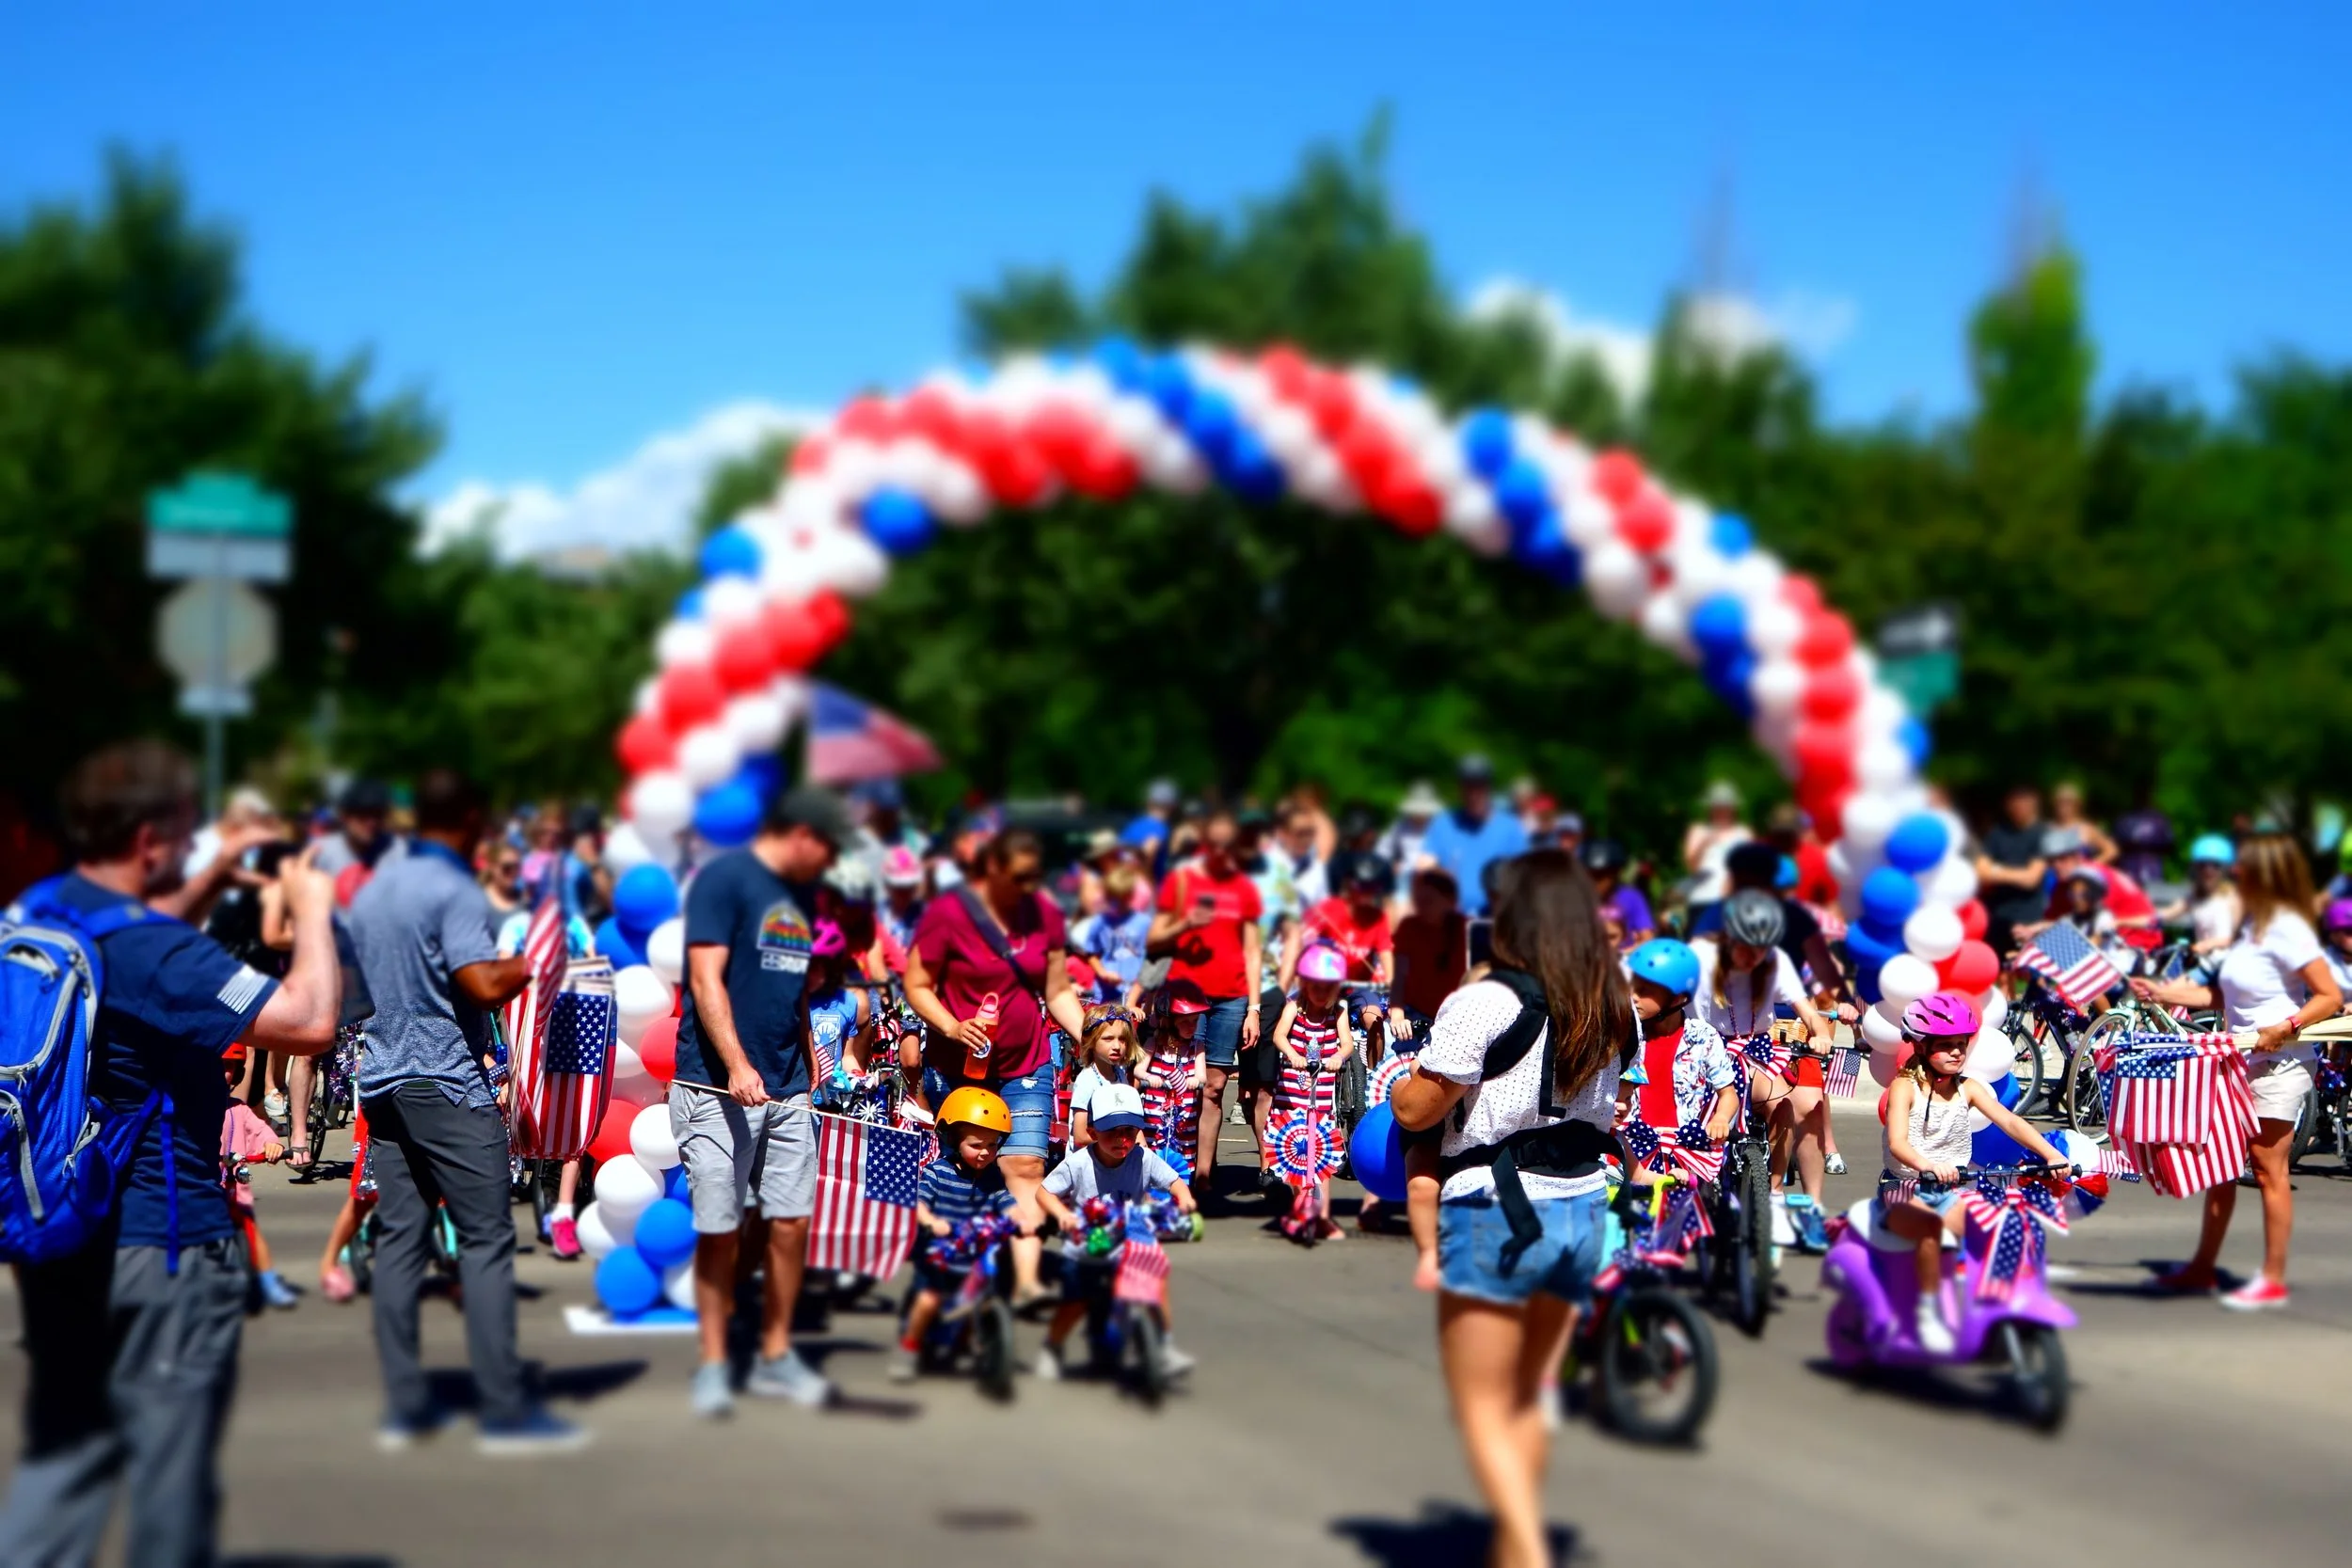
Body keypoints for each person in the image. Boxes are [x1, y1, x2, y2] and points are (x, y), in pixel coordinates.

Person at [0, 740, 342, 1564]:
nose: (191, 850)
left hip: (60, 1227)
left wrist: (214, 875)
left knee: (65, 1462)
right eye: (187, 837)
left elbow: (135, 946)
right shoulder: (159, 951)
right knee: (169, 1485)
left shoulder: (42, 910)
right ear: (150, 839)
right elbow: (308, 1021)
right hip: (163, 1242)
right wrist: (313, 908)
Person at [1387, 850, 1633, 1568]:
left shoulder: (1488, 1000)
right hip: (1582, 1203)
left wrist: (1403, 1078)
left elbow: (1417, 1107)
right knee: (1528, 1396)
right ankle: (1513, 1545)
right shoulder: (1611, 1000)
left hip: (1497, 1206)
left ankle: (1526, 1550)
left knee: (1483, 1405)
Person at [346, 769, 586, 1454]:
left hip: (383, 1078)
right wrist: (531, 963)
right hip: (447, 1082)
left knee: (401, 1240)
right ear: (473, 820)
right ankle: (505, 1412)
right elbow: (480, 982)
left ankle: (405, 1407)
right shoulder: (452, 888)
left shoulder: (375, 889)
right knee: (485, 1240)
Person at [668, 785, 851, 1418]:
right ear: (802, 834)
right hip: (714, 1085)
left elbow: (793, 984)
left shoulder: (800, 896)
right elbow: (704, 978)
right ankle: (714, 1362)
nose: (828, 866)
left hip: (788, 1085)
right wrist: (738, 1064)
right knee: (720, 1229)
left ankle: (775, 1353)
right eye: (826, 851)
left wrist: (808, 1054)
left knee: (791, 1222)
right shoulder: (724, 879)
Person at [2133, 832, 2344, 1309]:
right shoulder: (2251, 928)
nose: (2236, 873)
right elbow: (2225, 998)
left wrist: (2287, 1026)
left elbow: (2329, 996)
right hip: (2236, 1058)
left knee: (2268, 1168)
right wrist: (2163, 993)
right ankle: (2202, 1268)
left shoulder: (2289, 927)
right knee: (2220, 1168)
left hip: (2280, 1063)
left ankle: (2272, 1277)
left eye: (2244, 868)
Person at [904, 827, 1085, 1305]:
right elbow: (917, 984)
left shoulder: (1044, 913)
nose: (1029, 886)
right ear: (992, 869)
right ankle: (956, 1271)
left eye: (1035, 876)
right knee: (964, 1167)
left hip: (1026, 1062)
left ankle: (1025, 1281)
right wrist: (951, 1026)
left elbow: (1057, 989)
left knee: (1025, 1165)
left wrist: (1089, 1034)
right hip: (956, 1065)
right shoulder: (948, 913)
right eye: (1019, 877)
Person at [1878, 991, 2066, 1354]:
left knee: (2007, 1225)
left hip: (1954, 1189)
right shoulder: (1905, 1087)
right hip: (1905, 1188)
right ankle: (1927, 1311)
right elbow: (1898, 1142)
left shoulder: (1968, 1088)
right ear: (1920, 1046)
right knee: (1931, 1230)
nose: (1956, 1052)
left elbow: (2010, 1122)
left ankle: (2003, 1303)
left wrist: (2050, 1153)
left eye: (1961, 1044)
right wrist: (1928, 1165)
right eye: (1945, 1045)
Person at [1692, 892, 1838, 1249]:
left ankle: (1772, 1195)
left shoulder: (1775, 961)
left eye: (1760, 949)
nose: (1753, 957)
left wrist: (1820, 1034)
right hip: (1705, 1048)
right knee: (1695, 1116)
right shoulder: (1700, 958)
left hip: (1755, 1048)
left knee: (1785, 1105)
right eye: (1746, 948)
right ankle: (1696, 1186)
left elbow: (1808, 1011)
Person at [1034, 1084, 1198, 1380]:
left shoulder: (1143, 1158)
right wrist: (1062, 1215)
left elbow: (1173, 1180)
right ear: (1093, 1132)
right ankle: (1053, 1346)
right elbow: (1044, 1192)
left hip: (1129, 1236)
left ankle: (1163, 1346)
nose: (1122, 1140)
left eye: (1129, 1131)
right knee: (1077, 1301)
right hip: (1089, 1239)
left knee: (1155, 1284)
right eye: (1112, 1132)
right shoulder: (1079, 1163)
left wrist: (1184, 1198)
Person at [1146, 811, 1264, 1199]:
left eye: (1228, 845)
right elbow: (1154, 938)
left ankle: (1203, 1174)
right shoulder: (1182, 881)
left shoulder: (1244, 888)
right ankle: (1170, 1165)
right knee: (1178, 1080)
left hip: (1231, 997)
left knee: (1213, 1087)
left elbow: (1252, 951)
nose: (1221, 852)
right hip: (1187, 996)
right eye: (1214, 844)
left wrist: (1253, 1009)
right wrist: (1185, 924)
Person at [890, 1087, 1024, 1383]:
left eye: (993, 1144)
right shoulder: (938, 1172)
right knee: (929, 1300)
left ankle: (969, 1342)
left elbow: (1006, 1201)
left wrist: (1019, 1218)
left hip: (974, 1256)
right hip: (940, 1255)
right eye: (976, 1145)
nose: (985, 1152)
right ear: (953, 1140)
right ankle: (909, 1347)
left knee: (980, 1300)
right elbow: (919, 1203)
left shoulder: (992, 1176)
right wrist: (931, 1221)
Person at [1268, 944, 1355, 1242]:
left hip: (1322, 1098)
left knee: (1322, 1158)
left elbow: (1347, 1043)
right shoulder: (1295, 1005)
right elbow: (1279, 1035)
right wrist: (1293, 1054)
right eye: (1315, 986)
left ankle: (1322, 1217)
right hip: (1293, 1096)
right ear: (1304, 983)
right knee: (1296, 1155)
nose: (1320, 992)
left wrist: (1338, 1057)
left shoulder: (1339, 1010)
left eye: (1327, 987)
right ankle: (1302, 1212)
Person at [218, 1043, 298, 1309]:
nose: (222, 1073)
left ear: (238, 1073)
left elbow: (261, 1131)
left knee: (251, 1230)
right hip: (203, 1187)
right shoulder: (194, 1108)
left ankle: (268, 1279)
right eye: (216, 1066)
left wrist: (271, 1144)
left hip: (234, 1187)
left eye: (228, 1067)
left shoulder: (238, 1110)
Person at [1417, 755, 1529, 918]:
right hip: (1450, 918)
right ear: (1460, 788)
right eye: (1468, 787)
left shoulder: (1510, 828)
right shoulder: (1443, 823)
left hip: (1495, 918)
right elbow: (1424, 867)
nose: (1474, 794)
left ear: (1489, 788)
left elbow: (1524, 877)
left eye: (1479, 787)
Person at [1138, 984, 1211, 1174]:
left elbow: (1202, 1076)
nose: (1192, 1027)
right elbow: (1138, 1070)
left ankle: (1184, 1185)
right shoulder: (1154, 1043)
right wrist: (1149, 1076)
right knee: (1153, 1154)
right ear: (1169, 1022)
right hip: (1155, 1116)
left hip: (1184, 1117)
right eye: (1185, 1022)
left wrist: (1195, 1080)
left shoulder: (1197, 1046)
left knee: (1184, 1155)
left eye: (1195, 1021)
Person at [1975, 784, 2048, 958]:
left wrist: (1996, 870)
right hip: (1997, 916)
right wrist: (2018, 874)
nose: (2019, 806)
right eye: (2014, 801)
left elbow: (2031, 879)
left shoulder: (2043, 834)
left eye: (2023, 801)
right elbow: (1980, 871)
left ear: (2034, 803)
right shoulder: (1998, 833)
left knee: (2025, 967)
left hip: (2029, 918)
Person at [1069, 861, 1152, 1006]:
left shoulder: (1143, 923)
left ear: (1130, 896)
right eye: (1112, 898)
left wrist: (1131, 1002)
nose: (1116, 903)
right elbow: (1092, 953)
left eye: (1120, 898)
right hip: (1104, 995)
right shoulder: (1100, 921)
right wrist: (1103, 973)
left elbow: (1147, 964)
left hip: (1135, 996)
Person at [1391, 866, 1467, 1023]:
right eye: (1418, 901)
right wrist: (1397, 1015)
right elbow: (1399, 978)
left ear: (1450, 902)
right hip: (1415, 1014)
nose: (1421, 907)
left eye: (1428, 901)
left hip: (1457, 1015)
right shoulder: (1408, 928)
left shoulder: (1466, 930)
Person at [1065, 1005, 1141, 1150]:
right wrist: (1115, 1140)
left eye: (1122, 1039)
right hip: (1089, 1159)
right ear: (1091, 1041)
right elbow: (1080, 1135)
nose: (1117, 1046)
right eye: (1108, 1039)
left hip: (1115, 1155)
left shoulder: (1120, 1075)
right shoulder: (1087, 1080)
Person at [312, 778, 394, 909]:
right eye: (363, 814)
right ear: (344, 816)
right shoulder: (320, 851)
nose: (372, 822)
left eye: (378, 814)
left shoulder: (397, 850)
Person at [1680, 780, 1751, 927]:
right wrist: (1704, 844)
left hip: (1734, 900)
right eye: (1718, 807)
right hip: (1702, 898)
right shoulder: (1698, 831)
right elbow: (1691, 866)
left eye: (1725, 807)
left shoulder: (1743, 833)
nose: (1721, 811)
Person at [2164, 835, 2242, 957]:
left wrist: (2208, 944)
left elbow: (2237, 937)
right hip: (2202, 959)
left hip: (2227, 959)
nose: (2208, 870)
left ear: (2226, 869)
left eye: (2216, 865)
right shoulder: (2195, 896)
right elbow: (2165, 914)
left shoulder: (2233, 897)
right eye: (2202, 865)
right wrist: (2134, 919)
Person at [1580, 840, 1653, 949]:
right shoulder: (1579, 899)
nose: (1595, 882)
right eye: (1590, 875)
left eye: (1601, 876)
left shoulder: (1631, 897)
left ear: (1615, 873)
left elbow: (1648, 939)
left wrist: (1625, 953)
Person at [1376, 781, 1444, 890]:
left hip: (1432, 877)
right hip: (1405, 876)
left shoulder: (1440, 828)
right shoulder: (1401, 826)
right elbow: (1382, 849)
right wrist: (1390, 865)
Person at [2049, 782, 2119, 865]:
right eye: (2060, 802)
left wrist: (2090, 866)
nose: (2064, 806)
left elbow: (2111, 850)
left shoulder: (2086, 828)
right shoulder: (2048, 828)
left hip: (2079, 872)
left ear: (2077, 804)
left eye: (2068, 802)